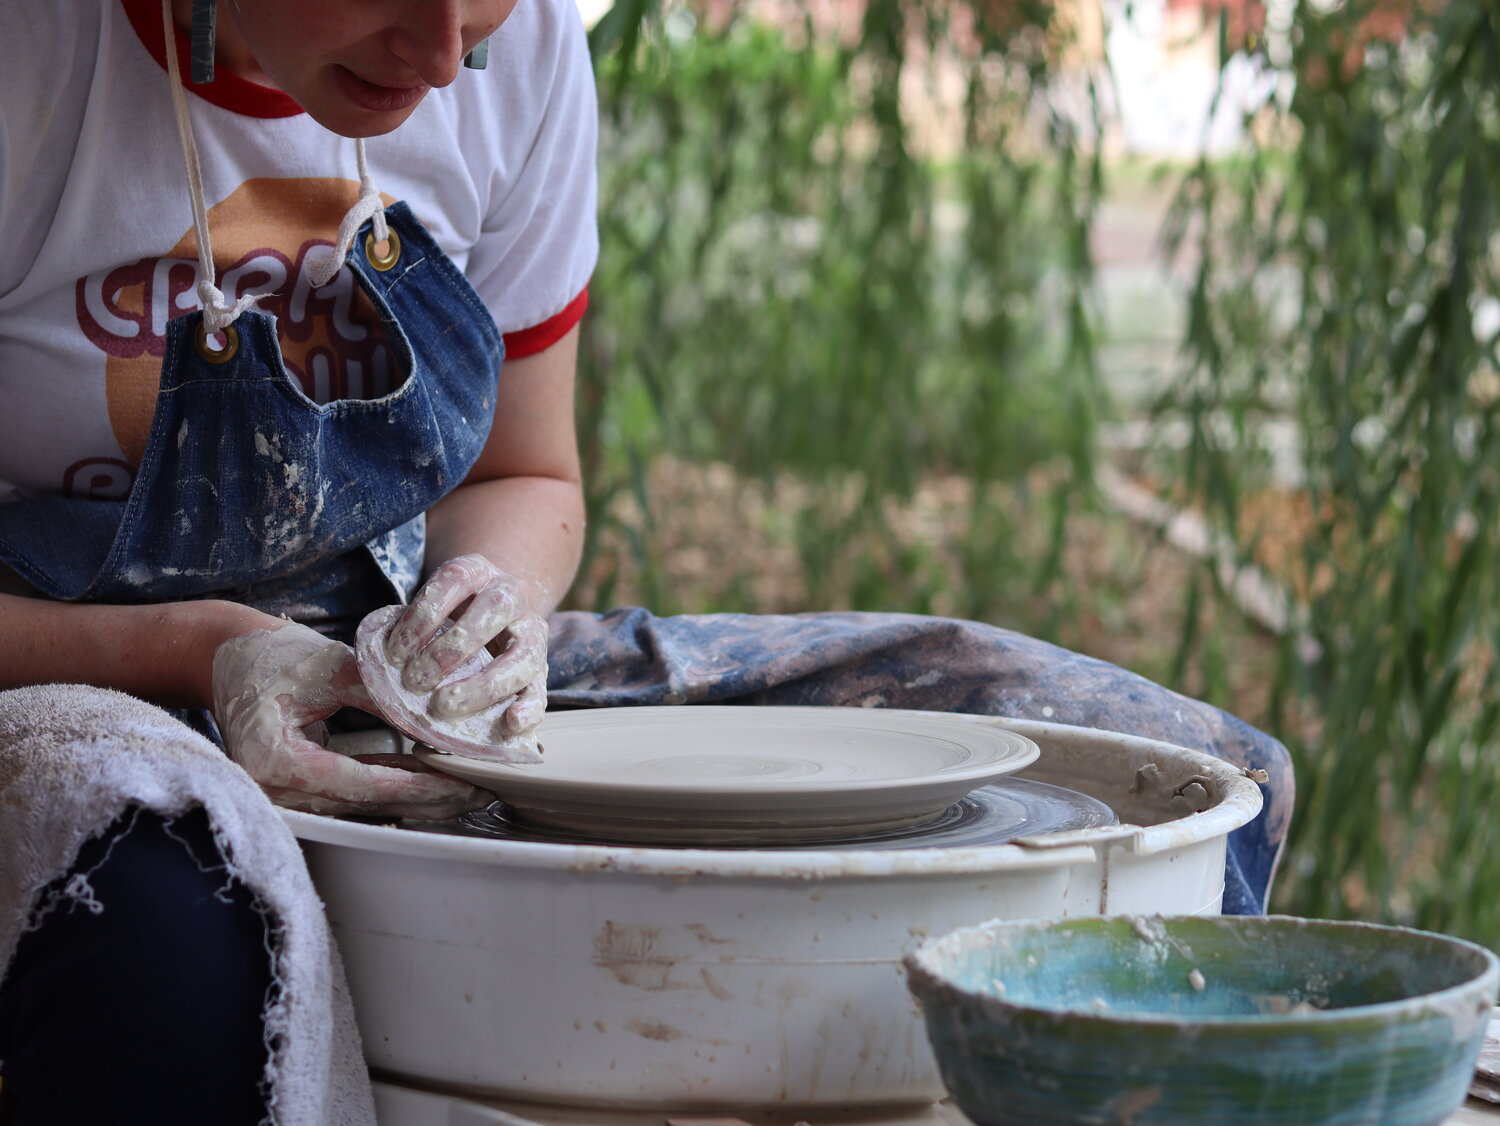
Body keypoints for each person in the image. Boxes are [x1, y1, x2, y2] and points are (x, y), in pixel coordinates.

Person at [0, 1, 1293, 1123]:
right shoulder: (32, 55)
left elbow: (524, 475)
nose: (446, 55)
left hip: (375, 647)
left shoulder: (522, 52)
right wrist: (193, 647)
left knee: (1159, 758)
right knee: (168, 936)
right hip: (63, 655)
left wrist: (487, 603)